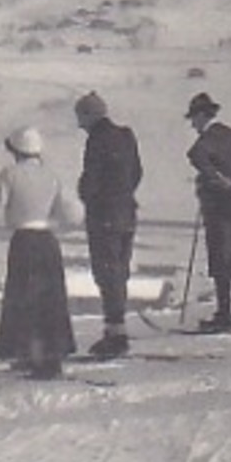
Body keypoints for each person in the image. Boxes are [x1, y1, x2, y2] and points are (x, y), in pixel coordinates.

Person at [0, 126, 79, 379]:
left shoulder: (10, 174)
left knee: (24, 300)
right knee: (49, 301)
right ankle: (50, 356)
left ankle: (28, 355)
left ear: (16, 150)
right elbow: (71, 213)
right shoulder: (52, 175)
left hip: (23, 241)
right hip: (48, 241)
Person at [75, 91, 143, 358]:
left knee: (106, 273)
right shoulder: (126, 135)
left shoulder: (97, 140)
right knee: (120, 271)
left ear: (89, 115)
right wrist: (122, 193)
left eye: (80, 116)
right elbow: (137, 173)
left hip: (104, 216)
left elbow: (90, 180)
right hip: (127, 211)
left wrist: (87, 194)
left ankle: (115, 335)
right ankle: (117, 329)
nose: (78, 123)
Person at [185, 92, 231, 333]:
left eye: (193, 119)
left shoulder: (209, 137)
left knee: (220, 259)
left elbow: (195, 155)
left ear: (201, 116)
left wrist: (210, 178)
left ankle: (224, 313)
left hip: (221, 207)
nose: (192, 125)